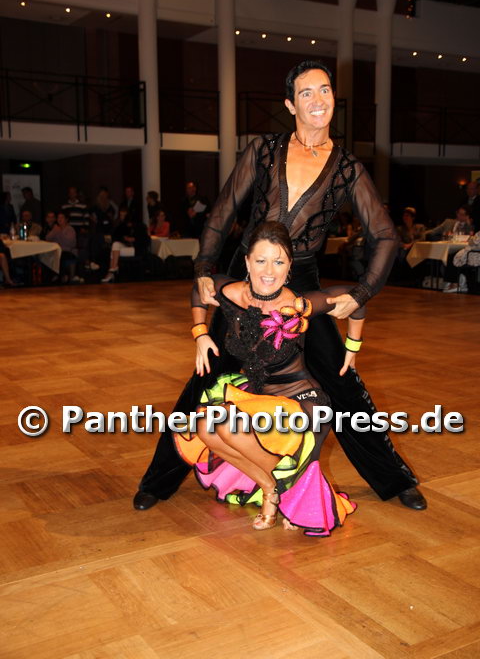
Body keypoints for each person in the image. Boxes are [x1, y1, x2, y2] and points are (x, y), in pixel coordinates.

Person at [134, 58, 426, 513]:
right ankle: (158, 480)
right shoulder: (264, 150)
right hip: (247, 273)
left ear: (333, 99)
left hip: (302, 281)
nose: (317, 100)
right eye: (306, 92)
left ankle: (394, 480)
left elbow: (386, 236)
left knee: (342, 380)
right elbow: (223, 211)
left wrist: (362, 292)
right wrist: (205, 268)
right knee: (207, 374)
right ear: (291, 104)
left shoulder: (347, 168)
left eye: (324, 90)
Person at [177, 222, 362, 535]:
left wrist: (352, 348)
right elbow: (199, 287)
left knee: (224, 423)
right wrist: (200, 333)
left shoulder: (298, 305)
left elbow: (356, 301)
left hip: (301, 403)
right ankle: (271, 486)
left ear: (289, 267)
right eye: (261, 260)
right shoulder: (230, 293)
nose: (269, 271)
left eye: (278, 262)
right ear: (247, 262)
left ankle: (279, 493)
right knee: (204, 426)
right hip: (258, 398)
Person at [101, 209, 150, 282]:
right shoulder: (123, 225)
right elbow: (116, 236)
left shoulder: (141, 227)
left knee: (114, 252)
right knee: (115, 245)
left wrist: (134, 239)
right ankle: (113, 268)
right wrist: (124, 238)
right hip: (127, 246)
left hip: (136, 249)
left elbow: (145, 240)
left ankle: (111, 271)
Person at [46, 211, 78, 282]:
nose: (60, 219)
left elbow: (70, 243)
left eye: (62, 217)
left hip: (69, 251)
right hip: (57, 250)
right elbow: (47, 238)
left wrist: (59, 232)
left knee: (61, 255)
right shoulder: (56, 229)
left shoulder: (70, 229)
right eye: (58, 217)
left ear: (66, 219)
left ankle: (61, 276)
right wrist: (55, 231)